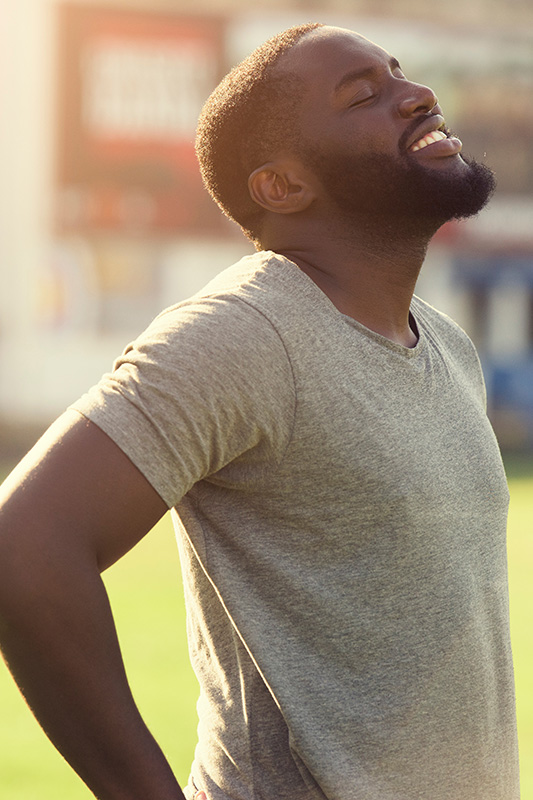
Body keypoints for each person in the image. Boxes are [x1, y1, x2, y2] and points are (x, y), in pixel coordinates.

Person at [0, 22, 520, 800]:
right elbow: (23, 549)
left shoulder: (443, 341)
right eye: (364, 96)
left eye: (399, 73)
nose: (417, 96)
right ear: (282, 187)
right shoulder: (245, 333)